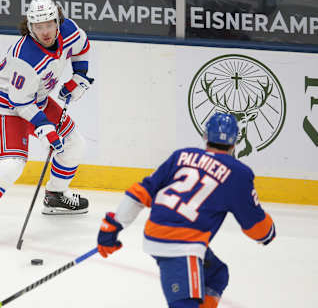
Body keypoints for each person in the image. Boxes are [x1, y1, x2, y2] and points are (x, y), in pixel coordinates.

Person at [0, 0, 94, 249]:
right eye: (38, 27)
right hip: (7, 104)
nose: (45, 32)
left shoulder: (68, 30)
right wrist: (45, 127)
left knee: (74, 145)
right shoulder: (24, 56)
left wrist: (79, 77)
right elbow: (20, 103)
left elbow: (83, 48)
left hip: (36, 97)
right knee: (12, 164)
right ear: (30, 27)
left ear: (57, 20)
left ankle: (55, 196)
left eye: (49, 24)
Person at [97, 112, 276, 308]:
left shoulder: (181, 155)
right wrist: (268, 233)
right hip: (181, 246)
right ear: (235, 142)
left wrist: (112, 227)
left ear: (205, 136)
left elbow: (142, 191)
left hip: (158, 233)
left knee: (216, 274)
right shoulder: (238, 173)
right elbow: (257, 228)